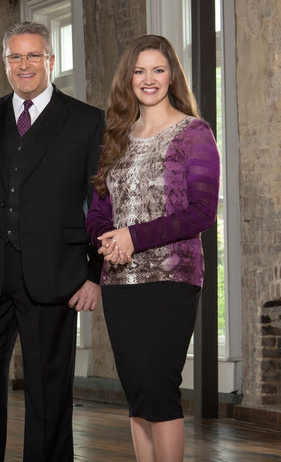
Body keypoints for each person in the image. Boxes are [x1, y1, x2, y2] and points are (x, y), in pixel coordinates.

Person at [0, 21, 104, 461]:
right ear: (5, 63)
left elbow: (101, 203)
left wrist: (94, 275)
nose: (25, 65)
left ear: (51, 60)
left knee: (50, 393)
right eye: (15, 56)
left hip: (57, 275)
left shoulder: (86, 120)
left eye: (33, 55)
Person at [86, 34, 219, 462]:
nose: (149, 79)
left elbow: (202, 213)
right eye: (139, 71)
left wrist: (133, 237)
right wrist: (109, 240)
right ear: (128, 78)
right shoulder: (116, 137)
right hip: (119, 282)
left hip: (172, 278)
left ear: (171, 76)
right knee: (138, 392)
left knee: (160, 390)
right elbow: (98, 212)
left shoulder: (193, 134)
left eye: (158, 70)